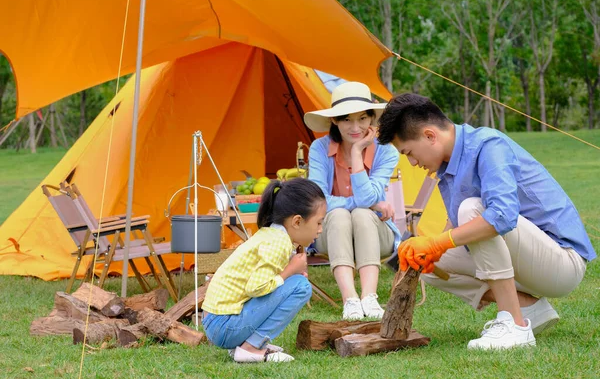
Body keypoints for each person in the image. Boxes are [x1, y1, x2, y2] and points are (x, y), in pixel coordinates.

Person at [377, 93, 596, 349]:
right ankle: (529, 309)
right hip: (529, 259)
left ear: (429, 135)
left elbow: (501, 216)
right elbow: (455, 226)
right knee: (433, 266)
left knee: (475, 211)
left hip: (562, 263)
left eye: (409, 153)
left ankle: (515, 326)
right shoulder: (447, 166)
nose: (413, 163)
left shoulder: (488, 145)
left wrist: (437, 242)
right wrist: (428, 247)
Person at [304, 81, 401, 320]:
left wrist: (358, 152)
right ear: (334, 121)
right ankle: (350, 300)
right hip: (331, 233)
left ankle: (369, 297)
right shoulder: (319, 148)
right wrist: (368, 203)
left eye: (362, 118)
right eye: (346, 119)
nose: (355, 127)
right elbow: (319, 200)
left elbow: (368, 198)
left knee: (361, 214)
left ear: (371, 119)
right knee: (339, 214)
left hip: (379, 235)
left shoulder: (386, 150)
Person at [202, 178, 327, 363]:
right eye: (318, 223)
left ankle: (249, 344)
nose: (320, 230)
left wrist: (287, 273)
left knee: (295, 283)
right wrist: (290, 271)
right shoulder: (279, 243)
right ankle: (251, 348)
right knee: (301, 286)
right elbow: (255, 287)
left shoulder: (273, 235)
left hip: (218, 323)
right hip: (223, 326)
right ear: (297, 221)